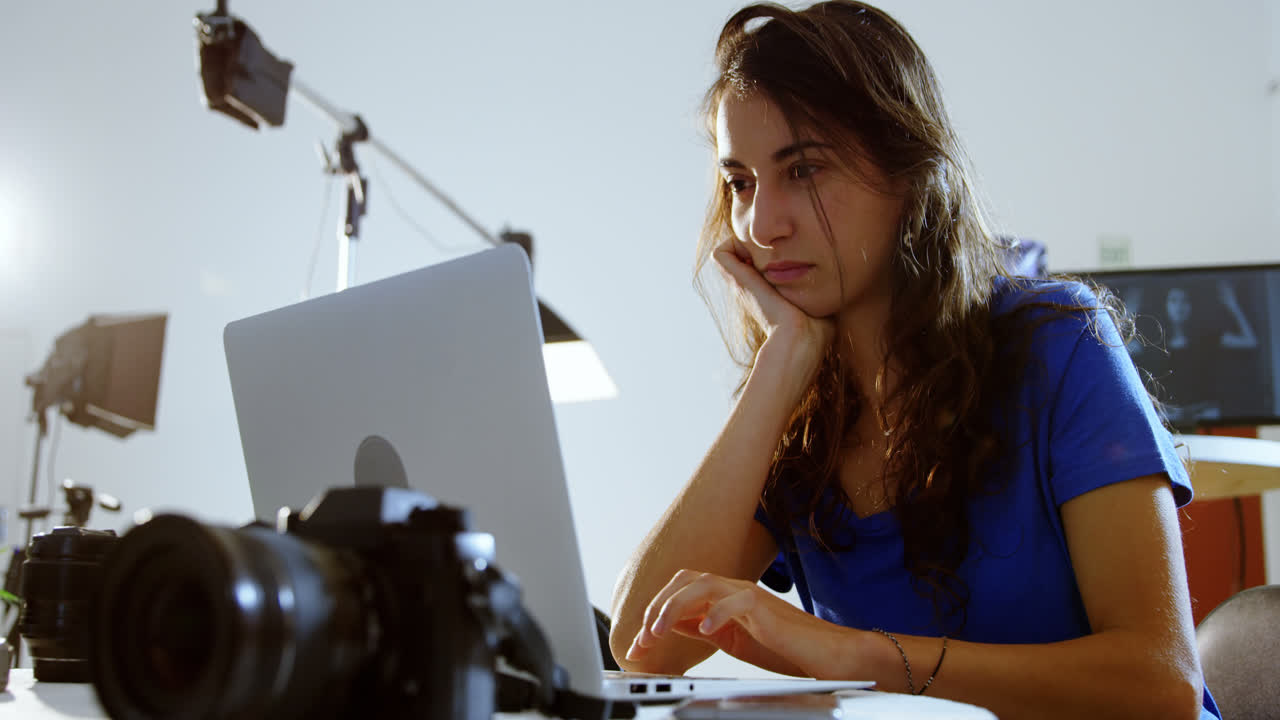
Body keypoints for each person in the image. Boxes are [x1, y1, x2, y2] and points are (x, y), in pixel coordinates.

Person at [608, 3, 1220, 719]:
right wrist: (779, 366)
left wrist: (863, 657)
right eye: (740, 182)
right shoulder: (801, 405)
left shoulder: (1058, 343)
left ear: (906, 170)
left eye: (802, 170)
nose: (762, 225)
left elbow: (1163, 687)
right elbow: (642, 646)